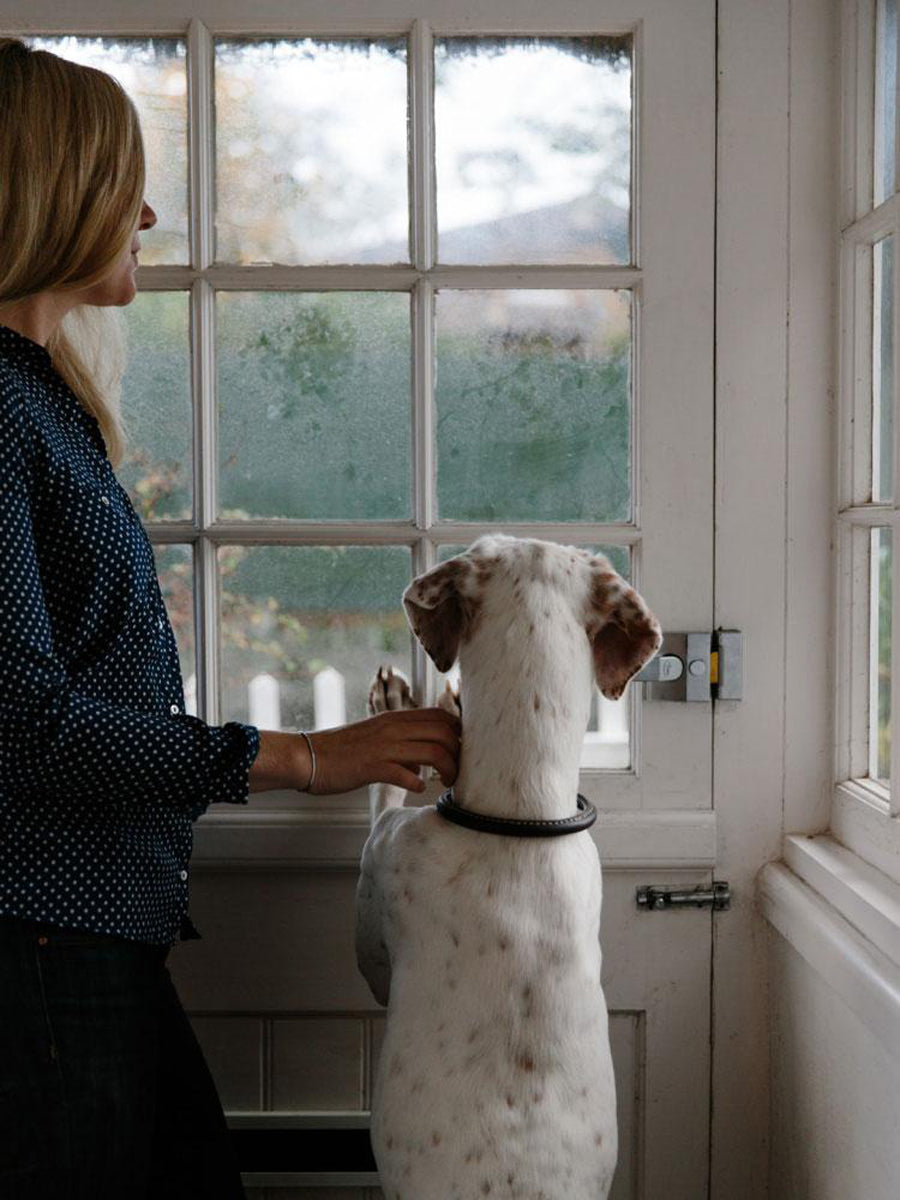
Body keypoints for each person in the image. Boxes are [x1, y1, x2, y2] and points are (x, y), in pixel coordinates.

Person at [0, 37, 461, 1200]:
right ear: (51, 196)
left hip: (86, 938)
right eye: (122, 185)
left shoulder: (37, 396)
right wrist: (304, 757)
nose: (145, 214)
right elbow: (28, 726)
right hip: (38, 950)